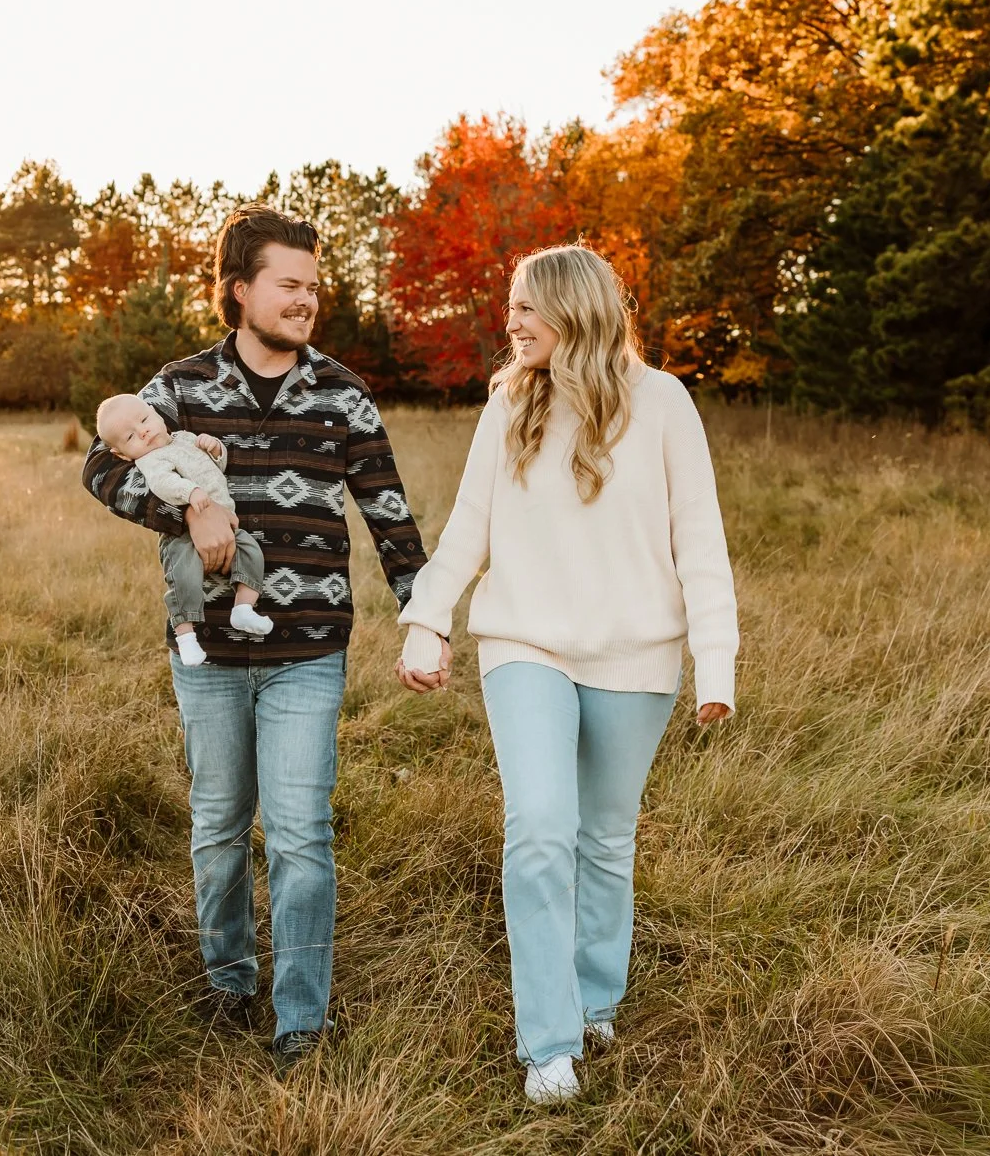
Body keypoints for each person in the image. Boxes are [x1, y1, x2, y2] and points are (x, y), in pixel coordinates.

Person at [80, 203, 428, 1074]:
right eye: (289, 284)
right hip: (206, 655)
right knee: (219, 824)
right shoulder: (179, 387)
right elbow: (97, 466)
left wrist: (424, 614)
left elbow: (387, 512)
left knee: (303, 832)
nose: (307, 299)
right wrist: (179, 509)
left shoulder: (343, 391)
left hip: (308, 647)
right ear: (240, 290)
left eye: (314, 286)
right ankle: (230, 979)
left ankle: (299, 1019)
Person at [395, 243, 738, 1105]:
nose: (509, 322)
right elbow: (468, 528)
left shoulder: (664, 403)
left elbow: (700, 541)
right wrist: (427, 620)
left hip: (637, 656)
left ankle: (595, 1000)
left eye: (525, 307)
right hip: (525, 646)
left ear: (577, 310)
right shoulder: (508, 404)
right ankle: (548, 1042)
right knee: (542, 825)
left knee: (605, 840)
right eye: (509, 305)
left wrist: (715, 663)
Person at [92, 391, 274, 664]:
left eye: (144, 420)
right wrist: (190, 494)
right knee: (184, 578)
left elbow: (215, 468)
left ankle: (243, 607)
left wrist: (215, 449)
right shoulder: (151, 459)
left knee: (251, 552)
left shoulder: (186, 438)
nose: (143, 432)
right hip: (183, 537)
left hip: (226, 522)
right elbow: (163, 484)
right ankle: (186, 635)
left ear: (156, 413)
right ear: (121, 454)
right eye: (130, 437)